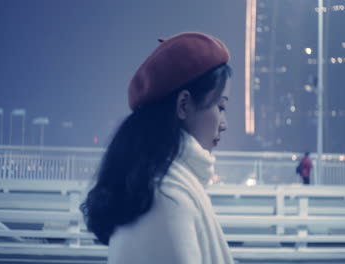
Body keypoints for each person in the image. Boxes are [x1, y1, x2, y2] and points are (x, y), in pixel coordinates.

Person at [80, 32, 234, 264]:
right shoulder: (168, 197)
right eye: (220, 107)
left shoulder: (157, 183)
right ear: (183, 105)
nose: (224, 124)